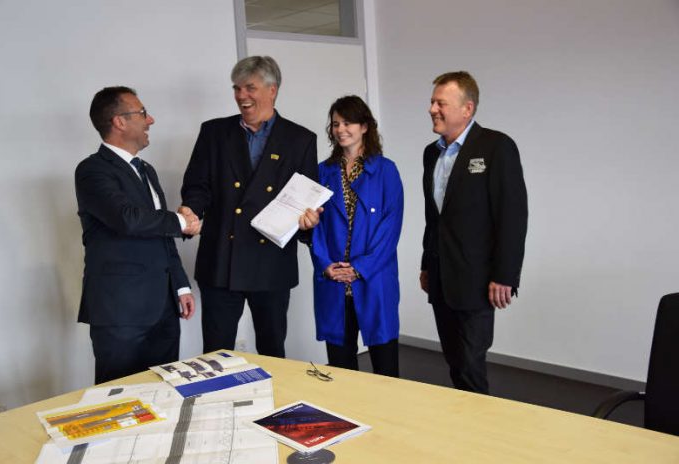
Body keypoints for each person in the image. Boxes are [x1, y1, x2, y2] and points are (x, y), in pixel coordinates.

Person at [180, 56, 321, 358]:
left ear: (273, 90)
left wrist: (308, 222)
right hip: (221, 260)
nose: (242, 96)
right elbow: (197, 185)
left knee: (272, 351)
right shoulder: (214, 133)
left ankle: (274, 405)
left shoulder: (301, 140)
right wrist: (191, 209)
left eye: (250, 88)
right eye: (237, 88)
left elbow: (306, 195)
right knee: (215, 354)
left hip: (270, 262)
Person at [75, 86, 199, 384]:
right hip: (120, 311)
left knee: (164, 391)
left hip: (163, 308)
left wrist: (180, 285)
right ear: (119, 121)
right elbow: (127, 219)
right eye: (142, 113)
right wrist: (181, 221)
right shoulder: (92, 171)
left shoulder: (147, 170)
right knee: (118, 399)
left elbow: (159, 233)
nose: (150, 120)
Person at [420, 71, 528, 394]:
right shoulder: (432, 153)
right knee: (455, 363)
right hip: (441, 278)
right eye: (431, 102)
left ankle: (482, 435)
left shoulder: (497, 147)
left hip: (478, 280)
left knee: (470, 364)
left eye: (441, 103)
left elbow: (513, 216)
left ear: (467, 109)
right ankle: (463, 428)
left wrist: (505, 275)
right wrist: (427, 264)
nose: (432, 109)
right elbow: (434, 219)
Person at [310, 95, 404, 377]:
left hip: (374, 280)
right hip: (334, 280)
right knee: (341, 370)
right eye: (335, 124)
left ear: (365, 126)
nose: (340, 129)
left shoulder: (386, 171)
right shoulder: (322, 172)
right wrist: (326, 265)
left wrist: (359, 268)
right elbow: (315, 228)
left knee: (386, 369)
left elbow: (391, 228)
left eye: (347, 122)